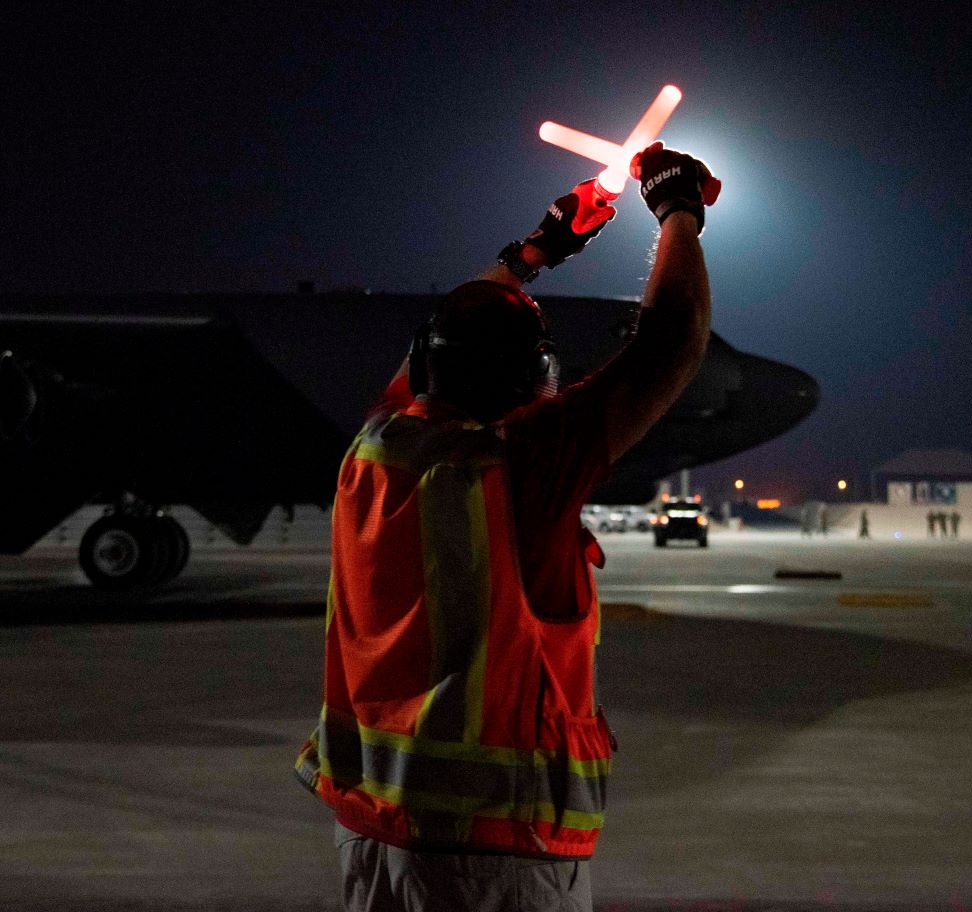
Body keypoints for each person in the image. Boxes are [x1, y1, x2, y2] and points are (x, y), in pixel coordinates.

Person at [295, 142, 718, 912]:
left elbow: (446, 332)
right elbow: (673, 341)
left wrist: (535, 251)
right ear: (535, 380)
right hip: (493, 858)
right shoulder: (520, 466)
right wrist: (677, 213)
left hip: (369, 837)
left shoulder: (376, 447)